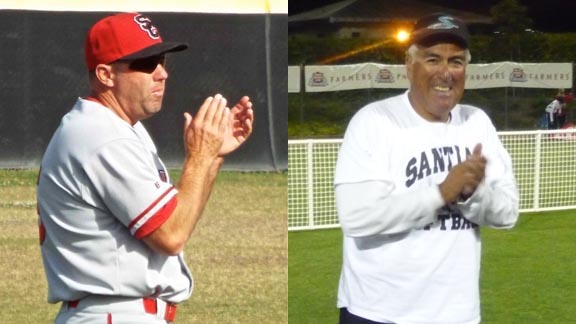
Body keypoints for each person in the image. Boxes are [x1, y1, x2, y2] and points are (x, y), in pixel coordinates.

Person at [36, 12, 254, 324]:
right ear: (106, 74)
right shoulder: (102, 136)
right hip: (113, 313)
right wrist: (198, 157)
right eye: (147, 63)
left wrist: (213, 157)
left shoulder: (116, 128)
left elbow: (177, 219)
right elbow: (171, 235)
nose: (162, 73)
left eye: (162, 60)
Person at [334, 13, 519, 324]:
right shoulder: (375, 121)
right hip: (379, 313)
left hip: (457, 314)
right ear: (410, 65)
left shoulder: (477, 123)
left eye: (456, 62)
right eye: (433, 60)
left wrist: (472, 194)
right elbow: (356, 217)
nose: (445, 72)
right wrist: (441, 193)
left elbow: (508, 213)